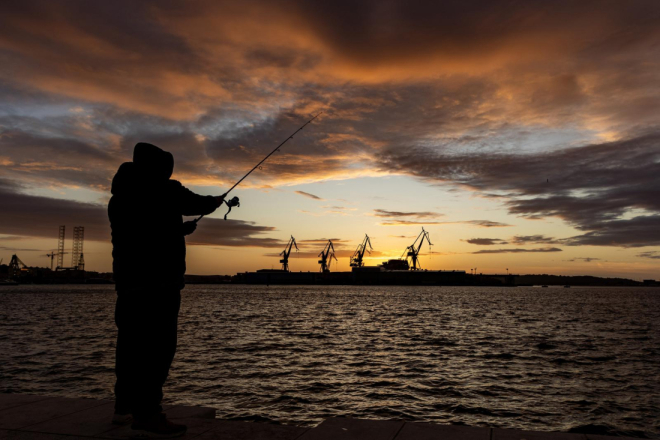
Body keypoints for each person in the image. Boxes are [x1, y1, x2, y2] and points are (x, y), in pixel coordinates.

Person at [108, 143, 223, 438]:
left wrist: (176, 230)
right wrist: (218, 200)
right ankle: (148, 414)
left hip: (129, 284)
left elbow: (143, 233)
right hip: (160, 284)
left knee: (130, 348)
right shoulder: (166, 191)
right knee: (158, 349)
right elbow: (199, 203)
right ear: (160, 168)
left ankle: (123, 409)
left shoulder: (120, 197)